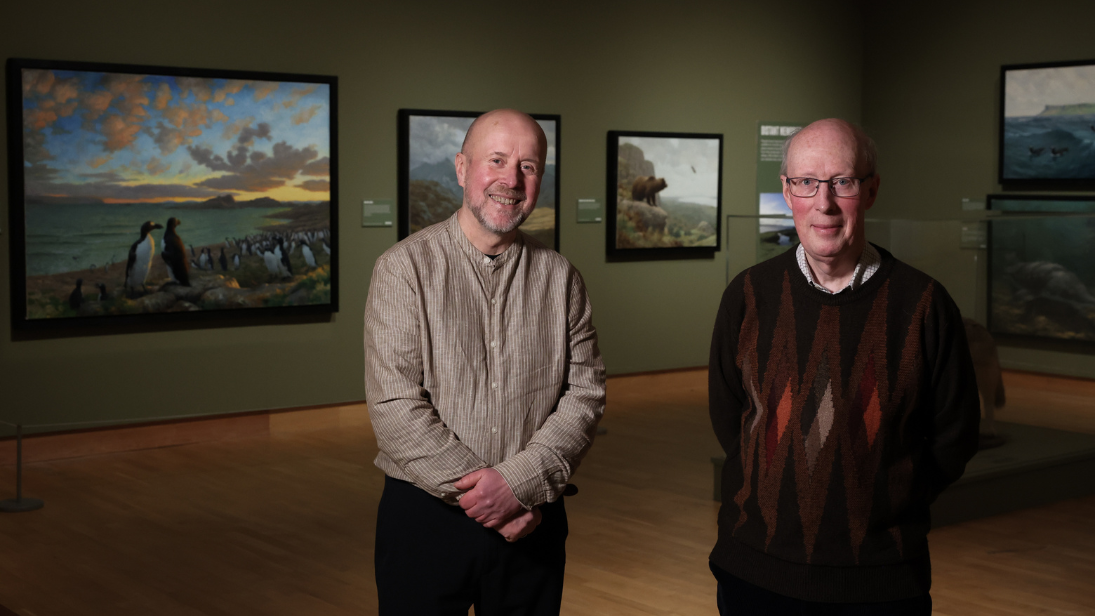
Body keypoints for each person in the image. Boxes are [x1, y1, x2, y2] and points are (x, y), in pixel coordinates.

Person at [707, 119, 980, 614]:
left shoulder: (924, 305)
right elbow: (730, 419)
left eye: (843, 182)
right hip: (755, 571)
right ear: (787, 193)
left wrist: (883, 501)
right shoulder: (748, 296)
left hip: (880, 582)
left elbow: (954, 436)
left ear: (871, 191)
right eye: (806, 182)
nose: (824, 203)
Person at [364, 109, 606, 615]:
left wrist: (518, 487)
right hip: (425, 524)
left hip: (533, 522)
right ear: (460, 168)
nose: (511, 180)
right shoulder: (402, 270)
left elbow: (584, 396)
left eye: (529, 166)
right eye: (496, 160)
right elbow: (394, 405)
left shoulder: (562, 279)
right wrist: (492, 501)